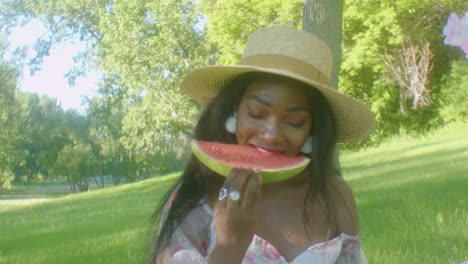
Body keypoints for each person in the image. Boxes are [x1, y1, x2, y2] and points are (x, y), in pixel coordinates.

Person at [150, 27, 375, 264]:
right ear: (234, 112)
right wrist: (228, 248)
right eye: (257, 114)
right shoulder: (196, 198)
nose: (271, 134)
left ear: (312, 129)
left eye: (294, 122)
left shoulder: (335, 194)